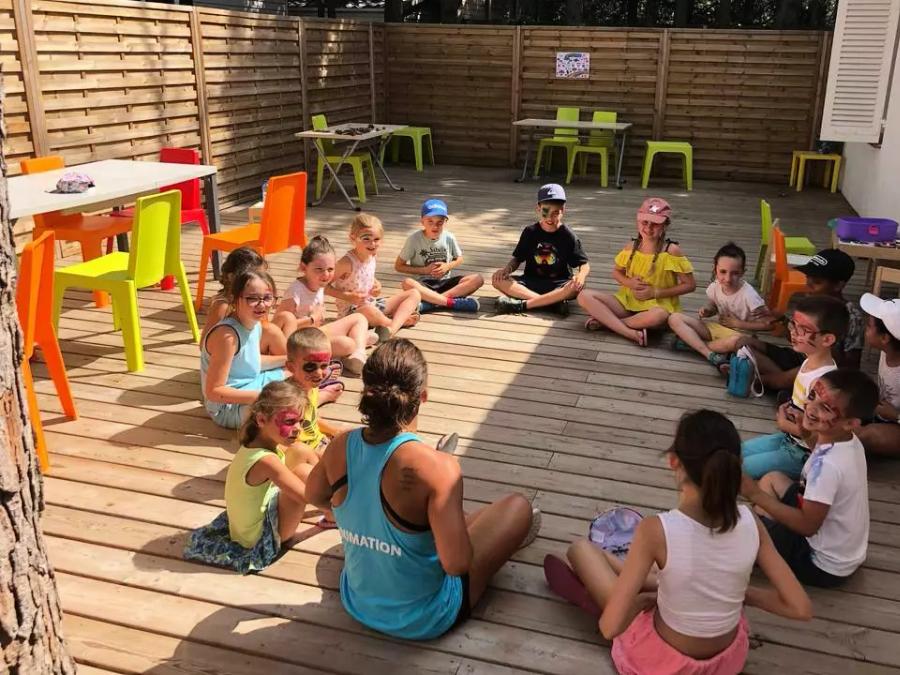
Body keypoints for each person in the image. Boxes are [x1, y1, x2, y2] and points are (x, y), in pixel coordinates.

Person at [303, 339, 542, 640]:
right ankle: (467, 526)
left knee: (426, 520)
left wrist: (363, 513)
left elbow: (313, 495)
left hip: (358, 600)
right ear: (423, 396)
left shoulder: (341, 444)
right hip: (426, 617)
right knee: (518, 507)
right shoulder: (438, 468)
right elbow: (456, 565)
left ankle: (444, 522)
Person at [543, 410, 811, 674]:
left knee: (581, 549)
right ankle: (645, 581)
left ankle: (606, 590)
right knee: (667, 572)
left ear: (673, 461)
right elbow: (800, 608)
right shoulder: (751, 522)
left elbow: (609, 628)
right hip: (725, 663)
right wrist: (742, 594)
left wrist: (640, 603)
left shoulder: (657, 530)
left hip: (666, 664)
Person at [742, 369, 879, 587]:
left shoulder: (827, 467)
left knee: (740, 524)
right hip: (840, 550)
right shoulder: (848, 441)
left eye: (825, 408)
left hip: (819, 563)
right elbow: (820, 452)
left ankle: (763, 543)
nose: (811, 408)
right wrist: (806, 433)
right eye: (812, 396)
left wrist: (754, 494)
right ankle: (767, 537)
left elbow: (807, 526)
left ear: (850, 423)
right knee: (772, 479)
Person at [184, 380, 317, 573]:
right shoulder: (266, 461)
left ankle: (332, 511)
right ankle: (338, 509)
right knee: (303, 472)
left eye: (301, 422)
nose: (298, 428)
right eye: (289, 421)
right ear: (261, 420)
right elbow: (306, 497)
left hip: (245, 529)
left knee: (301, 450)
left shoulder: (255, 445)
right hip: (260, 539)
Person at [741, 295, 847, 479]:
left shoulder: (823, 382)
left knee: (737, 469)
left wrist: (785, 424)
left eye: (803, 330)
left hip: (801, 454)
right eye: (793, 325)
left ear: (827, 339)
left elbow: (821, 435)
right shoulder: (809, 360)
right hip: (788, 440)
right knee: (734, 452)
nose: (794, 333)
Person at [739, 249, 864, 391]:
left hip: (823, 372)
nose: (808, 285)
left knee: (786, 376)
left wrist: (824, 353)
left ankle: (771, 381)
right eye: (808, 278)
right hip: (800, 358)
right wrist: (780, 319)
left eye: (816, 282)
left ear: (838, 285)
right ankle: (785, 382)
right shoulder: (811, 304)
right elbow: (796, 338)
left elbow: (851, 366)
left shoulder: (851, 318)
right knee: (744, 344)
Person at [578, 198, 695, 347]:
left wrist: (656, 292)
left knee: (660, 315)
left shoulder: (671, 251)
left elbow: (690, 285)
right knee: (584, 295)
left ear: (665, 225)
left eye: (655, 224)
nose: (649, 228)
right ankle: (629, 331)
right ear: (637, 221)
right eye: (644, 222)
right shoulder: (631, 247)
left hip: (654, 309)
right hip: (627, 304)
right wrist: (629, 283)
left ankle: (608, 323)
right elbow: (617, 272)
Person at [273, 235, 372, 376]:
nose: (326, 274)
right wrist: (312, 319)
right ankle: (355, 345)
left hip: (315, 332)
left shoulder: (318, 284)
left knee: (359, 318)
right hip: (300, 342)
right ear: (304, 267)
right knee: (347, 344)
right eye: (319, 269)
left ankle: (358, 355)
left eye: (330, 269)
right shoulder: (295, 291)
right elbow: (279, 328)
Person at [668, 242, 774, 374]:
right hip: (717, 330)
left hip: (739, 336)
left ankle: (693, 345)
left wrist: (738, 323)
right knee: (674, 318)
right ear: (715, 269)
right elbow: (714, 305)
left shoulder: (749, 296)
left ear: (743, 272)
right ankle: (710, 352)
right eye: (723, 272)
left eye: (735, 273)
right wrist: (708, 310)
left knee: (738, 343)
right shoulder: (715, 286)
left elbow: (769, 324)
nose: (728, 278)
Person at [200, 270, 288, 429]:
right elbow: (214, 391)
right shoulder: (227, 336)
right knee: (280, 407)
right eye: (252, 298)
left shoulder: (254, 324)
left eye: (267, 298)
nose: (262, 304)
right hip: (228, 407)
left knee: (299, 373)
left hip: (251, 385)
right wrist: (261, 396)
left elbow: (246, 362)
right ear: (235, 299)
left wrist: (290, 360)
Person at [492, 183, 590, 316]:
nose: (550, 217)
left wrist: (581, 276)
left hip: (559, 284)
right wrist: (506, 269)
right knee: (497, 280)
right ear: (538, 208)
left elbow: (584, 264)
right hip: (530, 281)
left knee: (577, 287)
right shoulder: (530, 232)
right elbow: (517, 259)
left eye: (555, 213)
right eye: (545, 212)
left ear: (563, 210)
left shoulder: (568, 236)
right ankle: (552, 303)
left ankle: (528, 303)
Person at [328, 213, 421, 342]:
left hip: (373, 303)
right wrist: (347, 296)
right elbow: (322, 286)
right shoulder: (346, 263)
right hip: (353, 313)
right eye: (366, 238)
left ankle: (391, 328)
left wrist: (377, 284)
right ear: (353, 237)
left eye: (376, 239)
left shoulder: (372, 256)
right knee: (368, 310)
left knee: (414, 293)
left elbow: (366, 276)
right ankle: (395, 323)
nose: (372, 243)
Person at [395, 198, 483, 314]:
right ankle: (451, 302)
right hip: (424, 285)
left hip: (446, 283)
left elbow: (459, 258)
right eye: (430, 221)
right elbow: (398, 266)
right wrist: (424, 270)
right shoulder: (414, 239)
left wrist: (447, 266)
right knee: (407, 283)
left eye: (439, 222)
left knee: (478, 279)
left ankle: (430, 304)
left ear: (445, 221)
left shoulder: (449, 237)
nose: (435, 226)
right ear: (422, 221)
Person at [857, 294, 900, 457]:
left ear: (884, 338)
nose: (865, 329)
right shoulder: (887, 351)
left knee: (866, 435)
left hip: (896, 423)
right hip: (883, 414)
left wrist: (896, 416)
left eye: (869, 326)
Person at [200, 246, 267, 344]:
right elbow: (204, 343)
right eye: (251, 278)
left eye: (261, 277)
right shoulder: (223, 306)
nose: (258, 282)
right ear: (231, 277)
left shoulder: (257, 301)